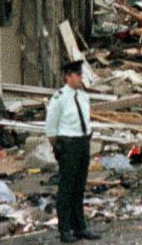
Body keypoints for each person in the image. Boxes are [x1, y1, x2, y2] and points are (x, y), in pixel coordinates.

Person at [45, 61, 101, 242]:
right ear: (67, 77)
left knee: (79, 188)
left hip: (83, 142)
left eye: (80, 74)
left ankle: (80, 227)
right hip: (68, 144)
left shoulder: (83, 96)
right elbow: (51, 127)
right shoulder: (59, 98)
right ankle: (65, 230)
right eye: (77, 75)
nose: (80, 78)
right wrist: (57, 147)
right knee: (67, 188)